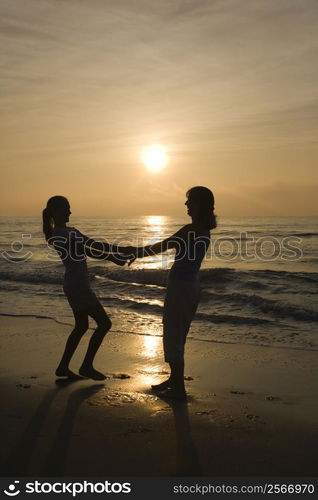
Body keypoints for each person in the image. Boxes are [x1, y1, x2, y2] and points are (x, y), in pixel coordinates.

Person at [132, 186, 216, 399]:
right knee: (180, 333)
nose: (186, 205)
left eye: (190, 201)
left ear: (200, 205)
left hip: (181, 286)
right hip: (192, 286)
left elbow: (158, 248)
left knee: (173, 333)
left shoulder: (191, 230)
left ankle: (178, 386)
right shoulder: (203, 230)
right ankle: (175, 379)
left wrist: (126, 252)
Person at [42, 195, 132, 380]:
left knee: (81, 326)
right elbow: (85, 250)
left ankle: (63, 367)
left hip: (77, 284)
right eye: (66, 208)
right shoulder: (57, 235)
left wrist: (120, 249)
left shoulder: (71, 231)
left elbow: (93, 244)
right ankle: (86, 366)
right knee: (104, 323)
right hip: (77, 286)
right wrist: (113, 257)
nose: (70, 211)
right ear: (55, 211)